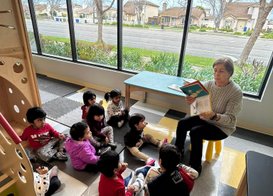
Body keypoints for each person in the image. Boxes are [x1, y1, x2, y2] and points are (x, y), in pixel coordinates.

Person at [175, 57, 243, 174]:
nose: (217, 74)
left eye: (221, 71)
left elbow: (231, 120)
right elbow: (200, 107)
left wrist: (214, 116)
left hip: (222, 128)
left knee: (196, 132)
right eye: (215, 70)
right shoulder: (209, 84)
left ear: (230, 73)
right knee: (182, 123)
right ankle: (176, 153)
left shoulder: (236, 92)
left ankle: (195, 168)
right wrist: (193, 101)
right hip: (206, 119)